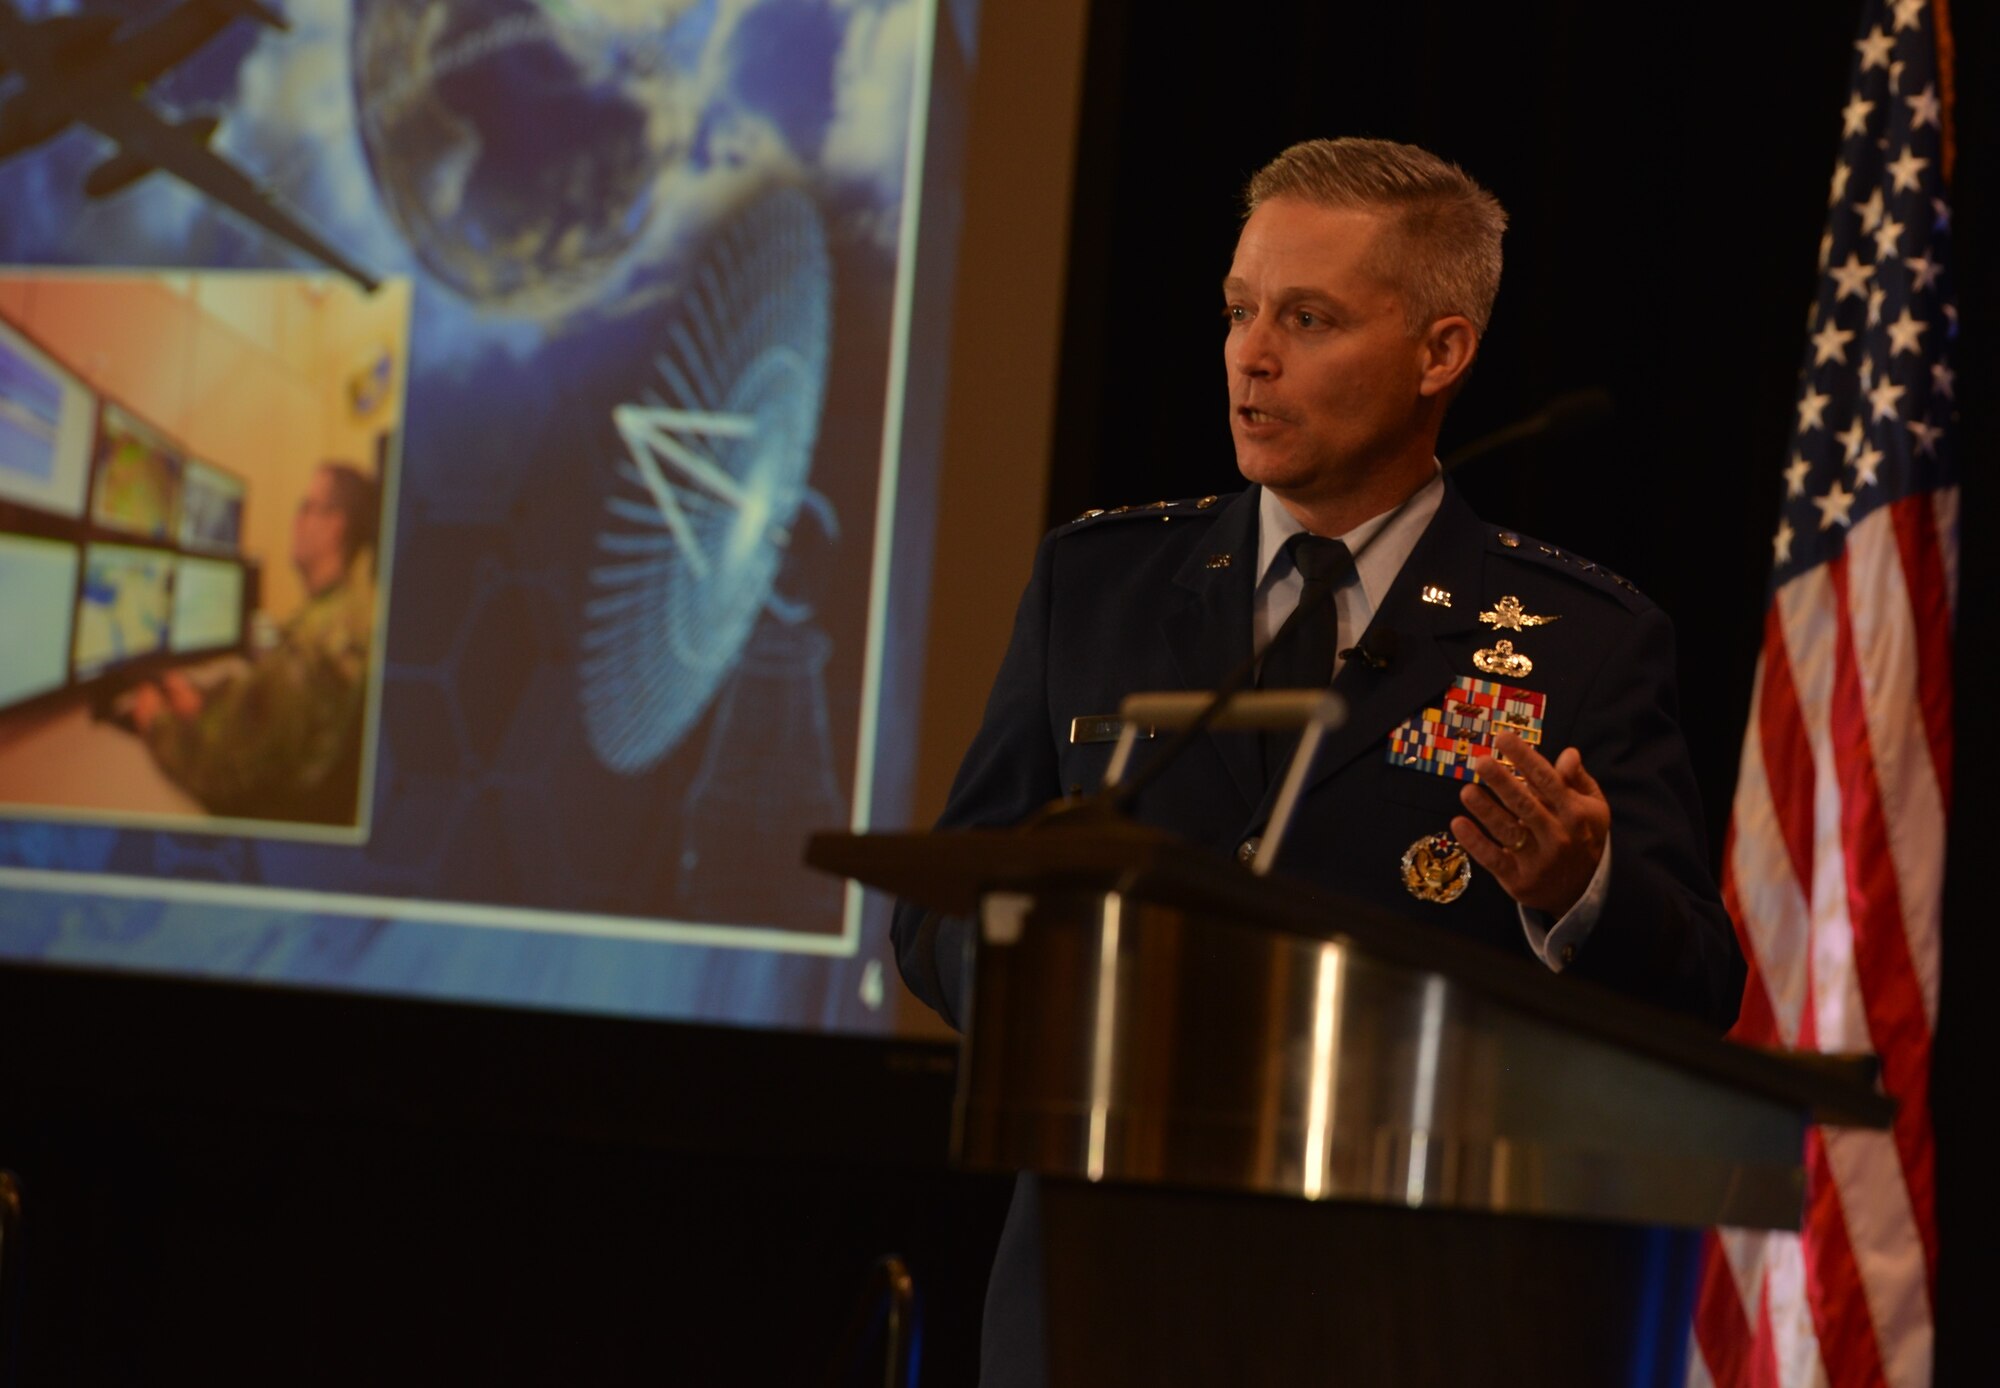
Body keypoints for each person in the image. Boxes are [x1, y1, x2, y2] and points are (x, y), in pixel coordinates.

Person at [890, 138, 1746, 1384]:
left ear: (1439, 353)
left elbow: (1697, 978)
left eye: (1307, 317)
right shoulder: (1102, 582)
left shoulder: (1581, 640)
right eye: (1239, 311)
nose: (1250, 353)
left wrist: (1574, 891)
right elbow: (940, 903)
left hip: (1409, 1309)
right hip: (1098, 1292)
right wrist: (1057, 989)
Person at [129, 461, 380, 825]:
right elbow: (270, 720)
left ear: (334, 525)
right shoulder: (354, 613)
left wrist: (155, 720)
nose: (296, 521)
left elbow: (216, 770)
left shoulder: (305, 651)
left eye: (305, 507)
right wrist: (203, 706)